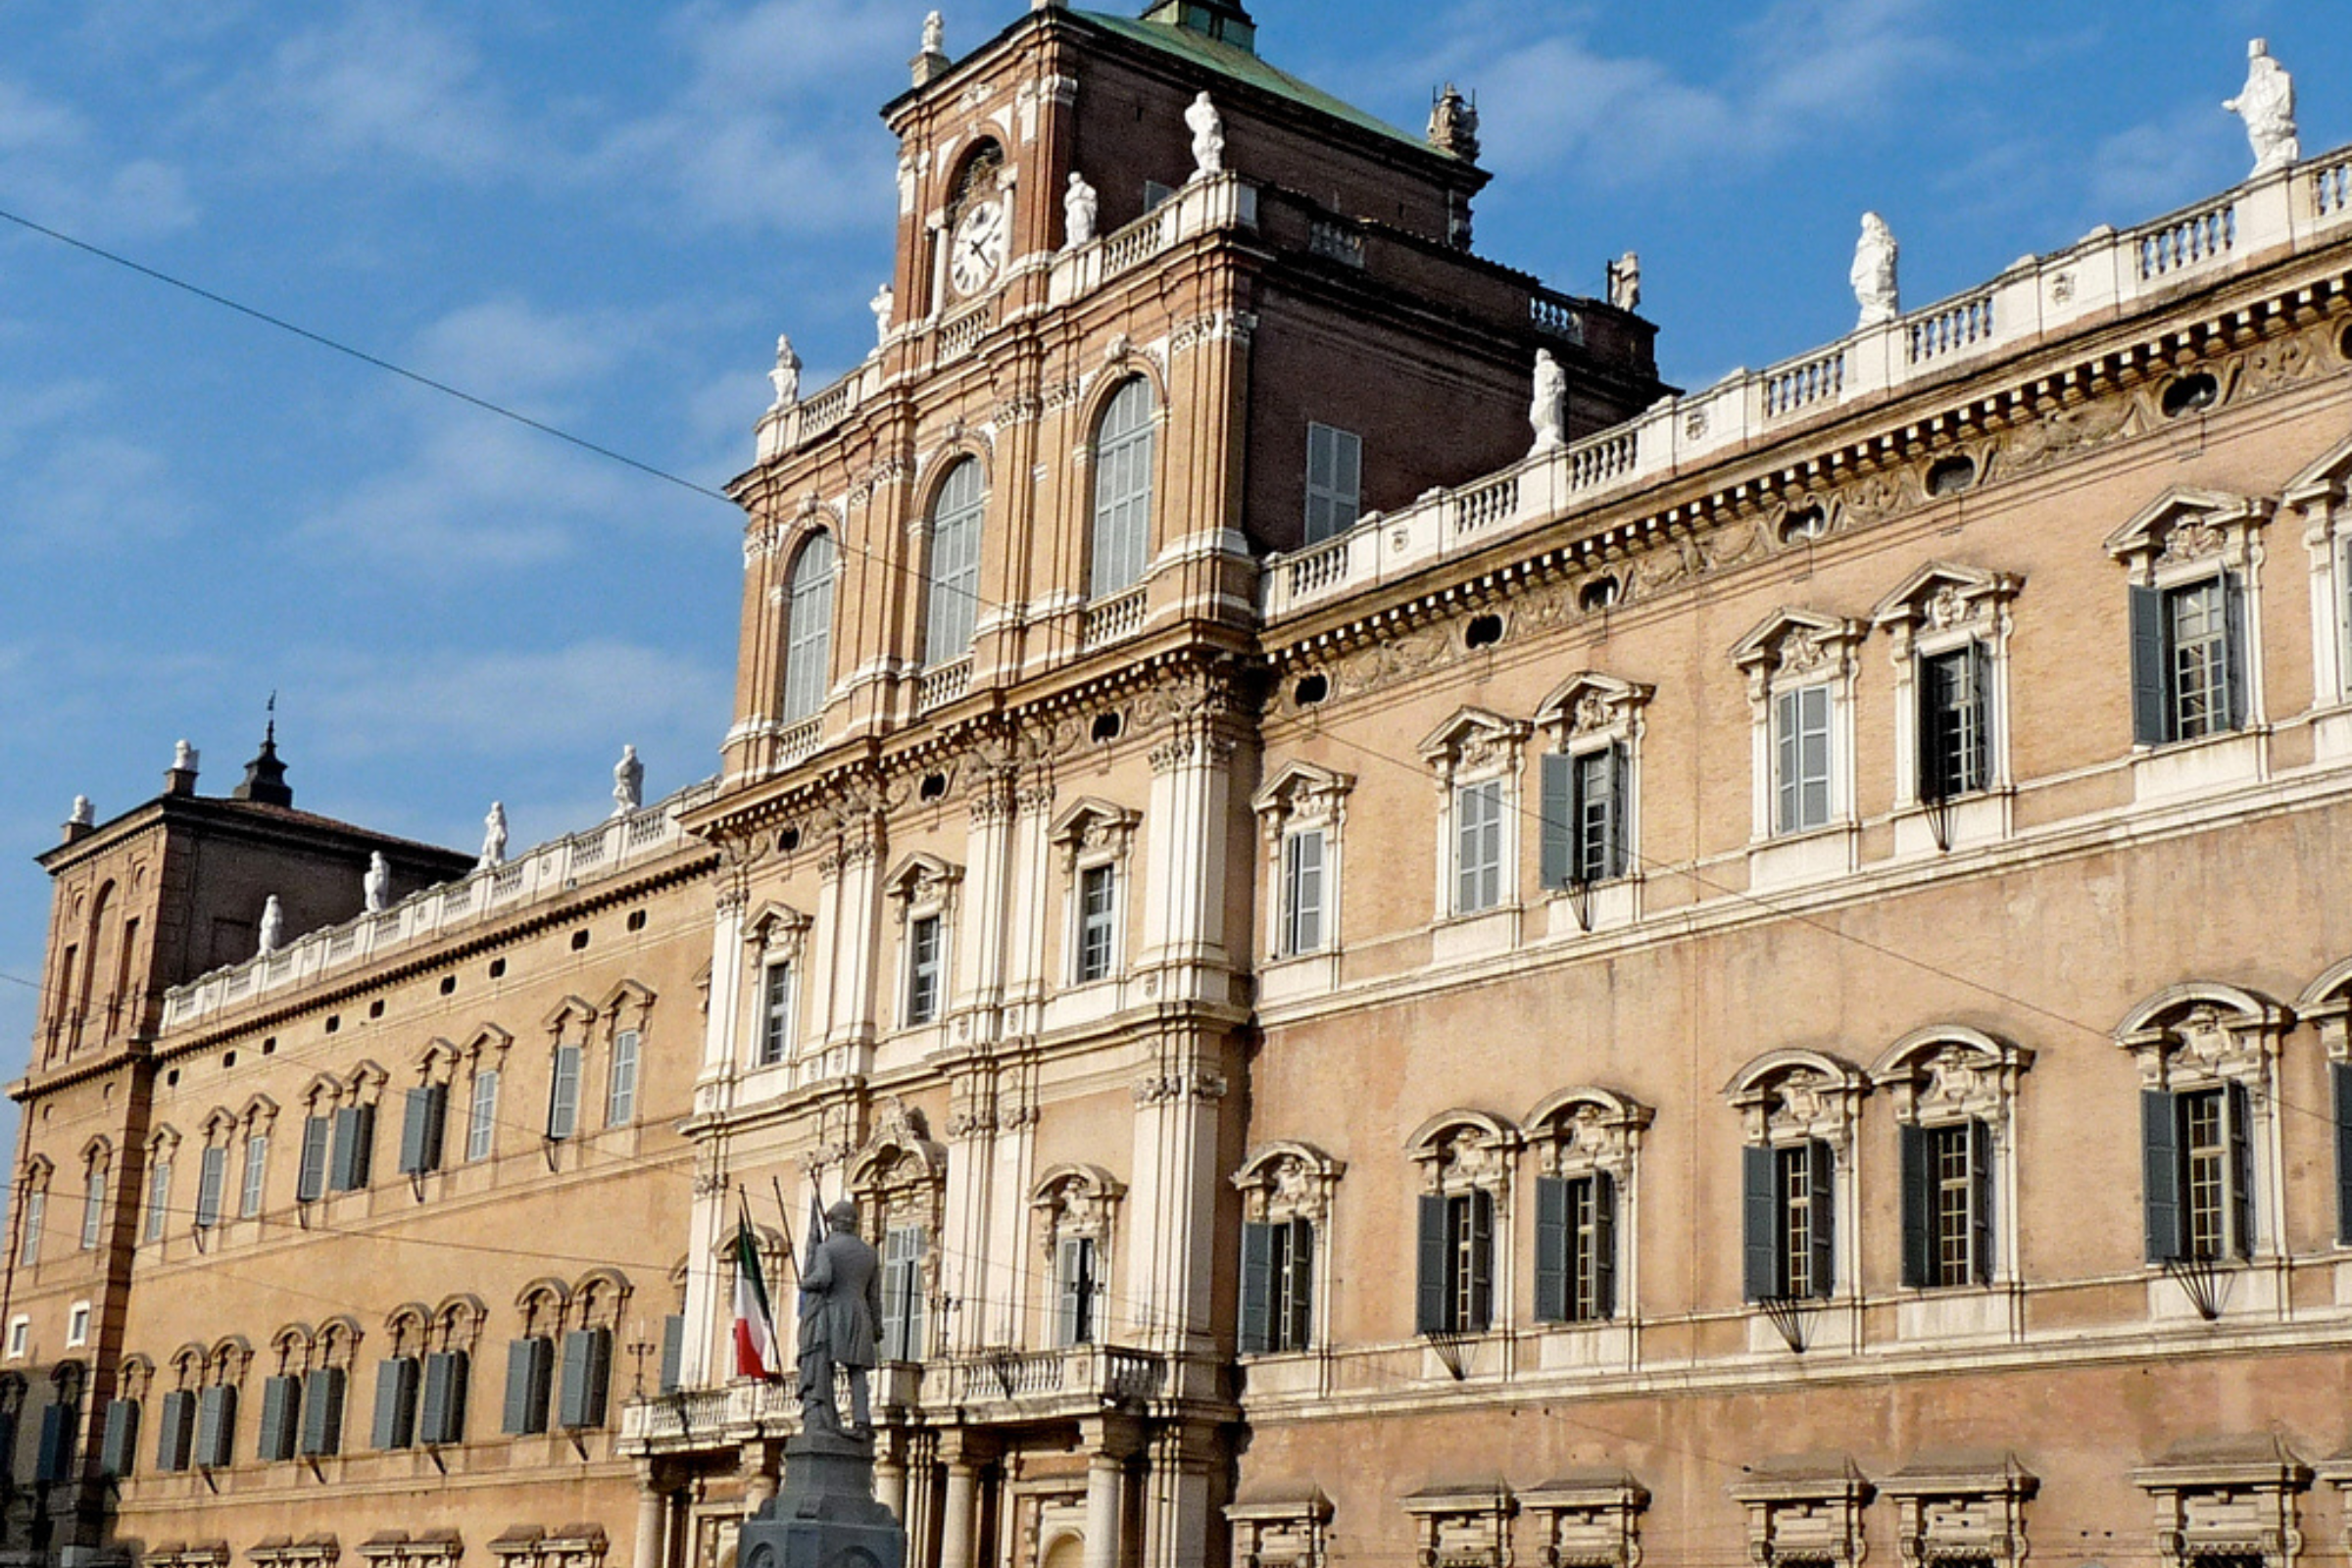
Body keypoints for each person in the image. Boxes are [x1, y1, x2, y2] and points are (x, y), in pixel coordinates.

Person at [797, 1199, 883, 1436]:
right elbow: (874, 1296)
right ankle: (862, 1420)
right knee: (857, 1372)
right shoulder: (870, 1254)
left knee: (826, 1366)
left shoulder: (826, 1249)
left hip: (834, 1314)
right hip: (861, 1315)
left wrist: (805, 1282)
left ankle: (826, 1417)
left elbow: (823, 1277)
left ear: (834, 1223)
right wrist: (877, 1326)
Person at [2225, 38, 2298, 178]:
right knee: (2257, 134)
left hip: (2273, 117)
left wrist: (2279, 110)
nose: (2255, 65)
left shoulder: (2281, 78)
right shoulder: (2251, 84)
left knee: (2270, 135)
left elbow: (2286, 96)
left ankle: (2272, 159)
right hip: (2259, 119)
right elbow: (2244, 99)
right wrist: (2233, 104)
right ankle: (2265, 160)